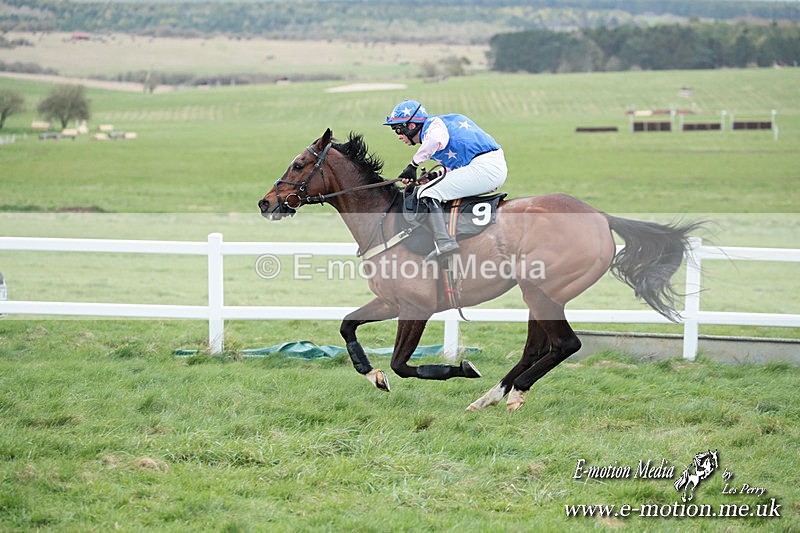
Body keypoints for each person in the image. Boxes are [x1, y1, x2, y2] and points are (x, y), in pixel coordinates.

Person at [384, 99, 507, 258]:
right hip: (486, 166)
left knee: (426, 193)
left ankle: (444, 242)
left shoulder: (434, 126)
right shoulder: (439, 128)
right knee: (430, 187)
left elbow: (435, 140)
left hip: (485, 167)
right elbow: (456, 168)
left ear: (411, 126)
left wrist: (413, 165)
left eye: (398, 129)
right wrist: (433, 176)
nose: (398, 136)